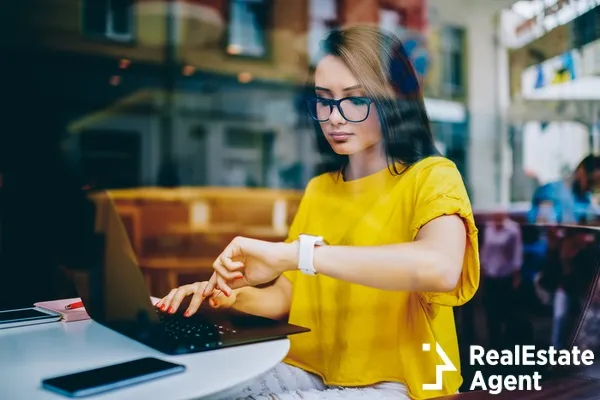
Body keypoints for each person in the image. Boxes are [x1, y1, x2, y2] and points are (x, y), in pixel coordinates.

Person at [157, 26, 480, 400]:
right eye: (323, 100)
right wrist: (229, 297)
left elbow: (440, 268)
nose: (334, 117)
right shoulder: (320, 188)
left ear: (393, 99)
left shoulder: (433, 176)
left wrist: (296, 255)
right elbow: (290, 295)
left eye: (355, 99)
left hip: (402, 381)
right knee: (190, 389)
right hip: (312, 367)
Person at [479, 210, 522, 349]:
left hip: (506, 275)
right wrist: (482, 270)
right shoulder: (489, 227)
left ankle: (507, 344)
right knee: (491, 313)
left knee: (506, 312)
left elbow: (517, 252)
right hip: (491, 275)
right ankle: (494, 344)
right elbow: (485, 250)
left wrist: (516, 276)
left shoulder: (512, 229)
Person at [528, 154, 600, 225]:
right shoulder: (551, 191)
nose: (593, 188)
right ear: (581, 171)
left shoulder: (586, 198)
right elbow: (544, 225)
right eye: (591, 181)